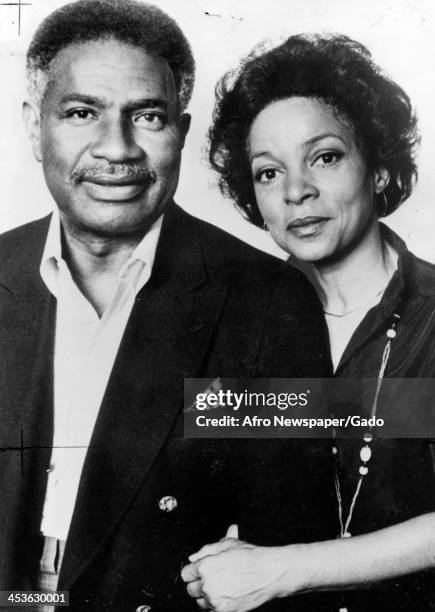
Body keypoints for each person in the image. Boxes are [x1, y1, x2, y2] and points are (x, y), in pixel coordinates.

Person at [0, 7, 331, 611]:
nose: (116, 149)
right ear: (33, 125)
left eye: (147, 117)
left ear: (179, 129)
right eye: (80, 113)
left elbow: (285, 554)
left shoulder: (265, 303)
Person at [182, 34, 435, 611]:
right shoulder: (228, 318)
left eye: (325, 156)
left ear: (376, 168)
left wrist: (288, 569)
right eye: (269, 173)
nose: (297, 191)